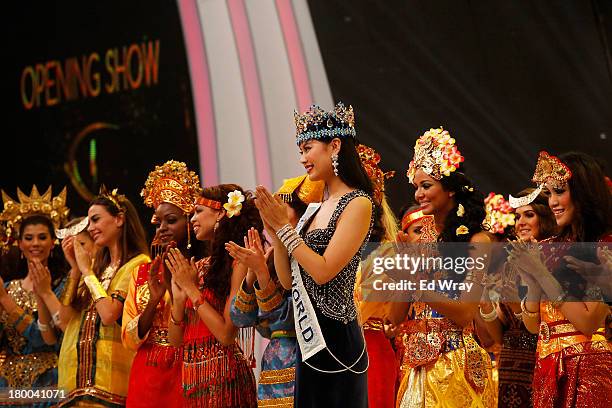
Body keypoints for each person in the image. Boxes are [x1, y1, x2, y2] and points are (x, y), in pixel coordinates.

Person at [255, 102, 374, 407]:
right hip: (308, 344)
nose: (303, 158)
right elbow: (286, 280)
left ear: (334, 146)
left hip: (338, 342)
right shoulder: (313, 210)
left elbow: (323, 271)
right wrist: (276, 233)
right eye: (301, 151)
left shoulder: (358, 203)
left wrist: (285, 230)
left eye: (308, 148)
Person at [396, 127, 496, 407]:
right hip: (415, 368)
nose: (418, 194)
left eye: (426, 185)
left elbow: (465, 313)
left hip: (456, 367)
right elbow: (396, 319)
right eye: (416, 187)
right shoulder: (420, 240)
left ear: (450, 188)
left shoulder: (478, 241)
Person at [515, 151, 612, 408]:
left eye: (560, 191)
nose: (553, 202)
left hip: (588, 367)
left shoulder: (604, 247)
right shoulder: (546, 247)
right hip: (546, 364)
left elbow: (588, 321)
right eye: (549, 194)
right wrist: (532, 281)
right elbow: (534, 326)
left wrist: (541, 274)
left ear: (583, 193)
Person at [228, 174, 324, 407]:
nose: (271, 214)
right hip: (273, 367)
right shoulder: (270, 254)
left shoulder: (311, 254)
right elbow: (240, 318)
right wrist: (252, 275)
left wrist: (263, 275)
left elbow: (289, 320)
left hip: (304, 359)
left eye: (281, 207)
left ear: (303, 215)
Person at [165, 184, 258, 407]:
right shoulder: (198, 266)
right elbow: (175, 341)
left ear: (221, 213)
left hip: (226, 380)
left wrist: (192, 291)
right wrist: (178, 301)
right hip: (194, 384)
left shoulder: (239, 263)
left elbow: (226, 334)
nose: (192, 220)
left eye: (198, 211)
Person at [57, 187, 150, 407]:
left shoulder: (138, 264)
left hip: (110, 385)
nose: (91, 228)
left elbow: (109, 315)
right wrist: (75, 271)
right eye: (89, 222)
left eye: (96, 220)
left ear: (119, 219)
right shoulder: (96, 270)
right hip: (73, 385)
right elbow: (64, 319)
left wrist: (86, 272)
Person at [122, 160, 202, 408]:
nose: (163, 228)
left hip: (191, 365)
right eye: (158, 222)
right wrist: (155, 298)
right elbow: (128, 338)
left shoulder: (202, 268)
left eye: (171, 220)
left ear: (189, 221)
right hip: (148, 373)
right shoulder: (142, 272)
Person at [0, 186, 69, 407]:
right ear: (20, 244)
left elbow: (46, 338)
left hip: (47, 383)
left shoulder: (63, 286)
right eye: (29, 238)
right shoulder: (8, 287)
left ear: (53, 242)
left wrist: (5, 302)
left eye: (42, 237)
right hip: (6, 386)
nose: (35, 243)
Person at [353, 143, 399, 408]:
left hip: (369, 350)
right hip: (340, 349)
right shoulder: (337, 247)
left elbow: (364, 307)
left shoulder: (387, 252)